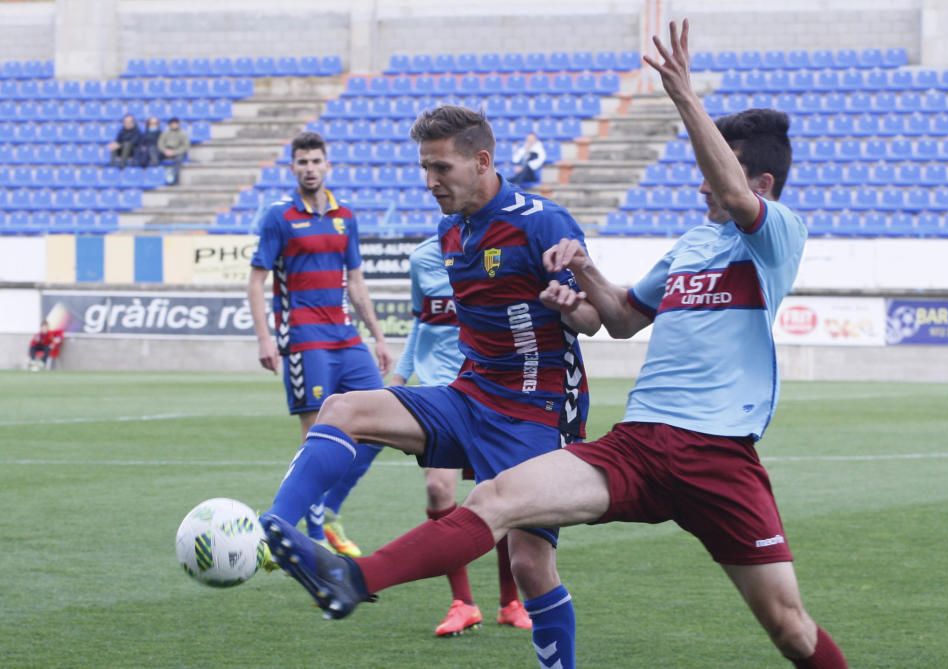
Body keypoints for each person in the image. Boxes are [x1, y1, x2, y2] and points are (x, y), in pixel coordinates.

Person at [261, 23, 850, 669]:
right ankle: (353, 579)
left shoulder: (774, 235)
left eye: (716, 174)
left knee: (790, 629)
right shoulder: (690, 246)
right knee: (493, 500)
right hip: (640, 443)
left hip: (716, 456)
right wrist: (582, 284)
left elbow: (734, 195)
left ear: (761, 183)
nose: (701, 186)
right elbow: (623, 318)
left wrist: (683, 95)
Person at [259, 105, 600, 669]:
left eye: (441, 167)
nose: (430, 181)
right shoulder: (449, 233)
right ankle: (275, 527)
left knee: (530, 565)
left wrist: (572, 304)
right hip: (470, 395)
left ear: (482, 160)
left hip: (537, 412)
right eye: (425, 167)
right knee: (342, 410)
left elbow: (591, 319)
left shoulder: (543, 221)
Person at [248, 131, 392, 558]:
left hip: (346, 337)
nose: (309, 168)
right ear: (292, 168)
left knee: (382, 419)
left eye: (315, 161)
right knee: (316, 436)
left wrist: (379, 337)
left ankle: (327, 510)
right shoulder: (279, 217)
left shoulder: (344, 215)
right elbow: (257, 282)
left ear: (327, 165)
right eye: (302, 162)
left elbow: (357, 284)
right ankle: (307, 538)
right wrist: (265, 338)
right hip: (304, 336)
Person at [388, 235, 531, 636]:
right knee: (438, 488)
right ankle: (463, 602)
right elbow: (422, 321)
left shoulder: (500, 252)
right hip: (440, 389)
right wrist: (401, 375)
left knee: (502, 494)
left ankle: (510, 601)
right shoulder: (422, 257)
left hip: (491, 389)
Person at [157, 117, 190, 185]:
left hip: (177, 151)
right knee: (155, 157)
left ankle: (175, 179)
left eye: (176, 124)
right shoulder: (165, 133)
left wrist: (174, 152)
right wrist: (165, 151)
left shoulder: (183, 134)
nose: (174, 125)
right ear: (169, 125)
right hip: (166, 150)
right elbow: (160, 143)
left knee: (178, 160)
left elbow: (185, 146)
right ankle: (157, 177)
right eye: (172, 124)